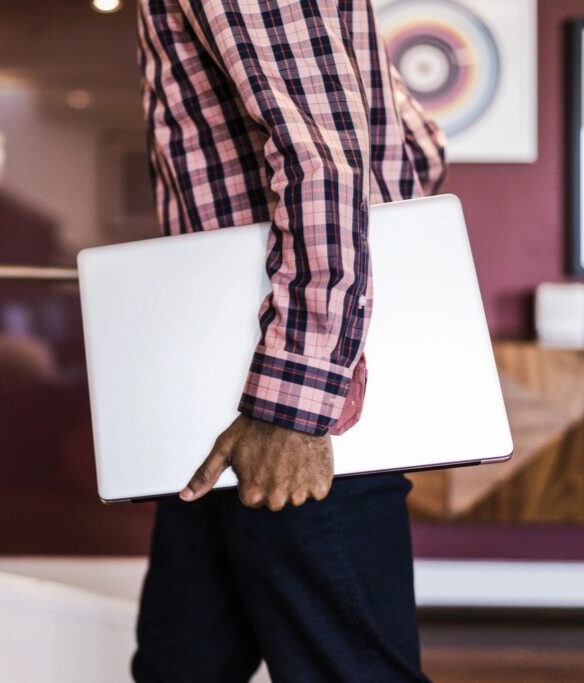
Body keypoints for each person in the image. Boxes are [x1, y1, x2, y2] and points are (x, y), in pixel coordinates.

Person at [132, 1, 446, 681]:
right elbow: (419, 147)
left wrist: (294, 399)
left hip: (279, 398)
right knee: (180, 665)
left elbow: (325, 166)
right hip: (226, 389)